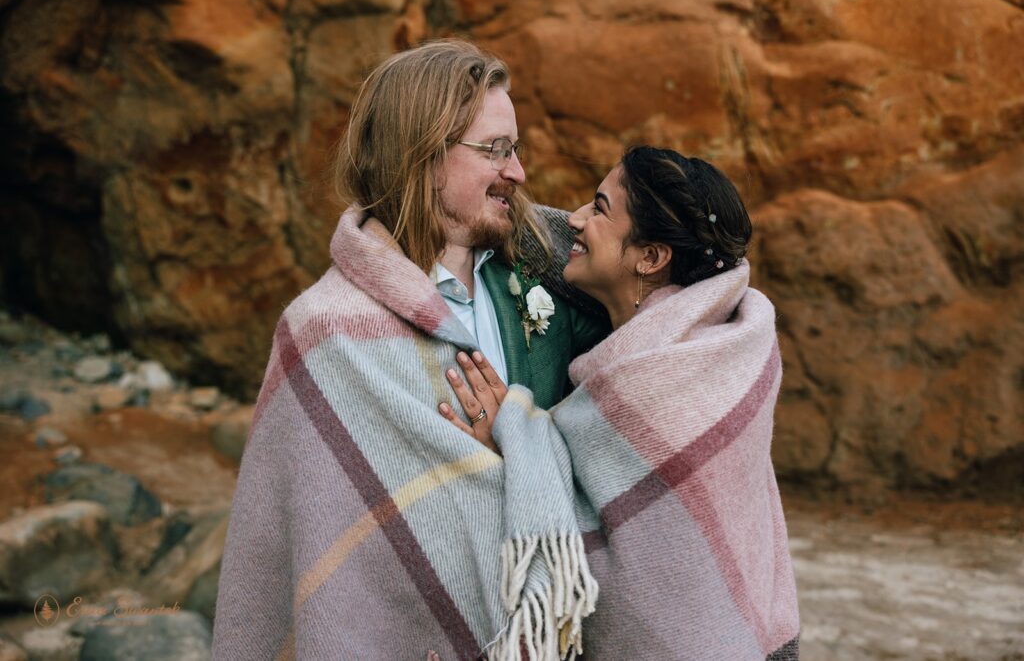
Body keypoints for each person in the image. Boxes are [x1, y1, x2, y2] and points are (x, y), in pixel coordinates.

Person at [212, 40, 608, 659]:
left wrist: (512, 438)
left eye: (516, 147)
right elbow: (305, 544)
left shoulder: (546, 282)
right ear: (422, 153)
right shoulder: (324, 333)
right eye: (495, 150)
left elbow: (647, 362)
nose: (518, 172)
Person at [440, 147, 801, 659]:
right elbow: (542, 234)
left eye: (599, 207)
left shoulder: (668, 380)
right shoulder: (698, 332)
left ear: (651, 258)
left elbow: (639, 570)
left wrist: (515, 432)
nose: (576, 220)